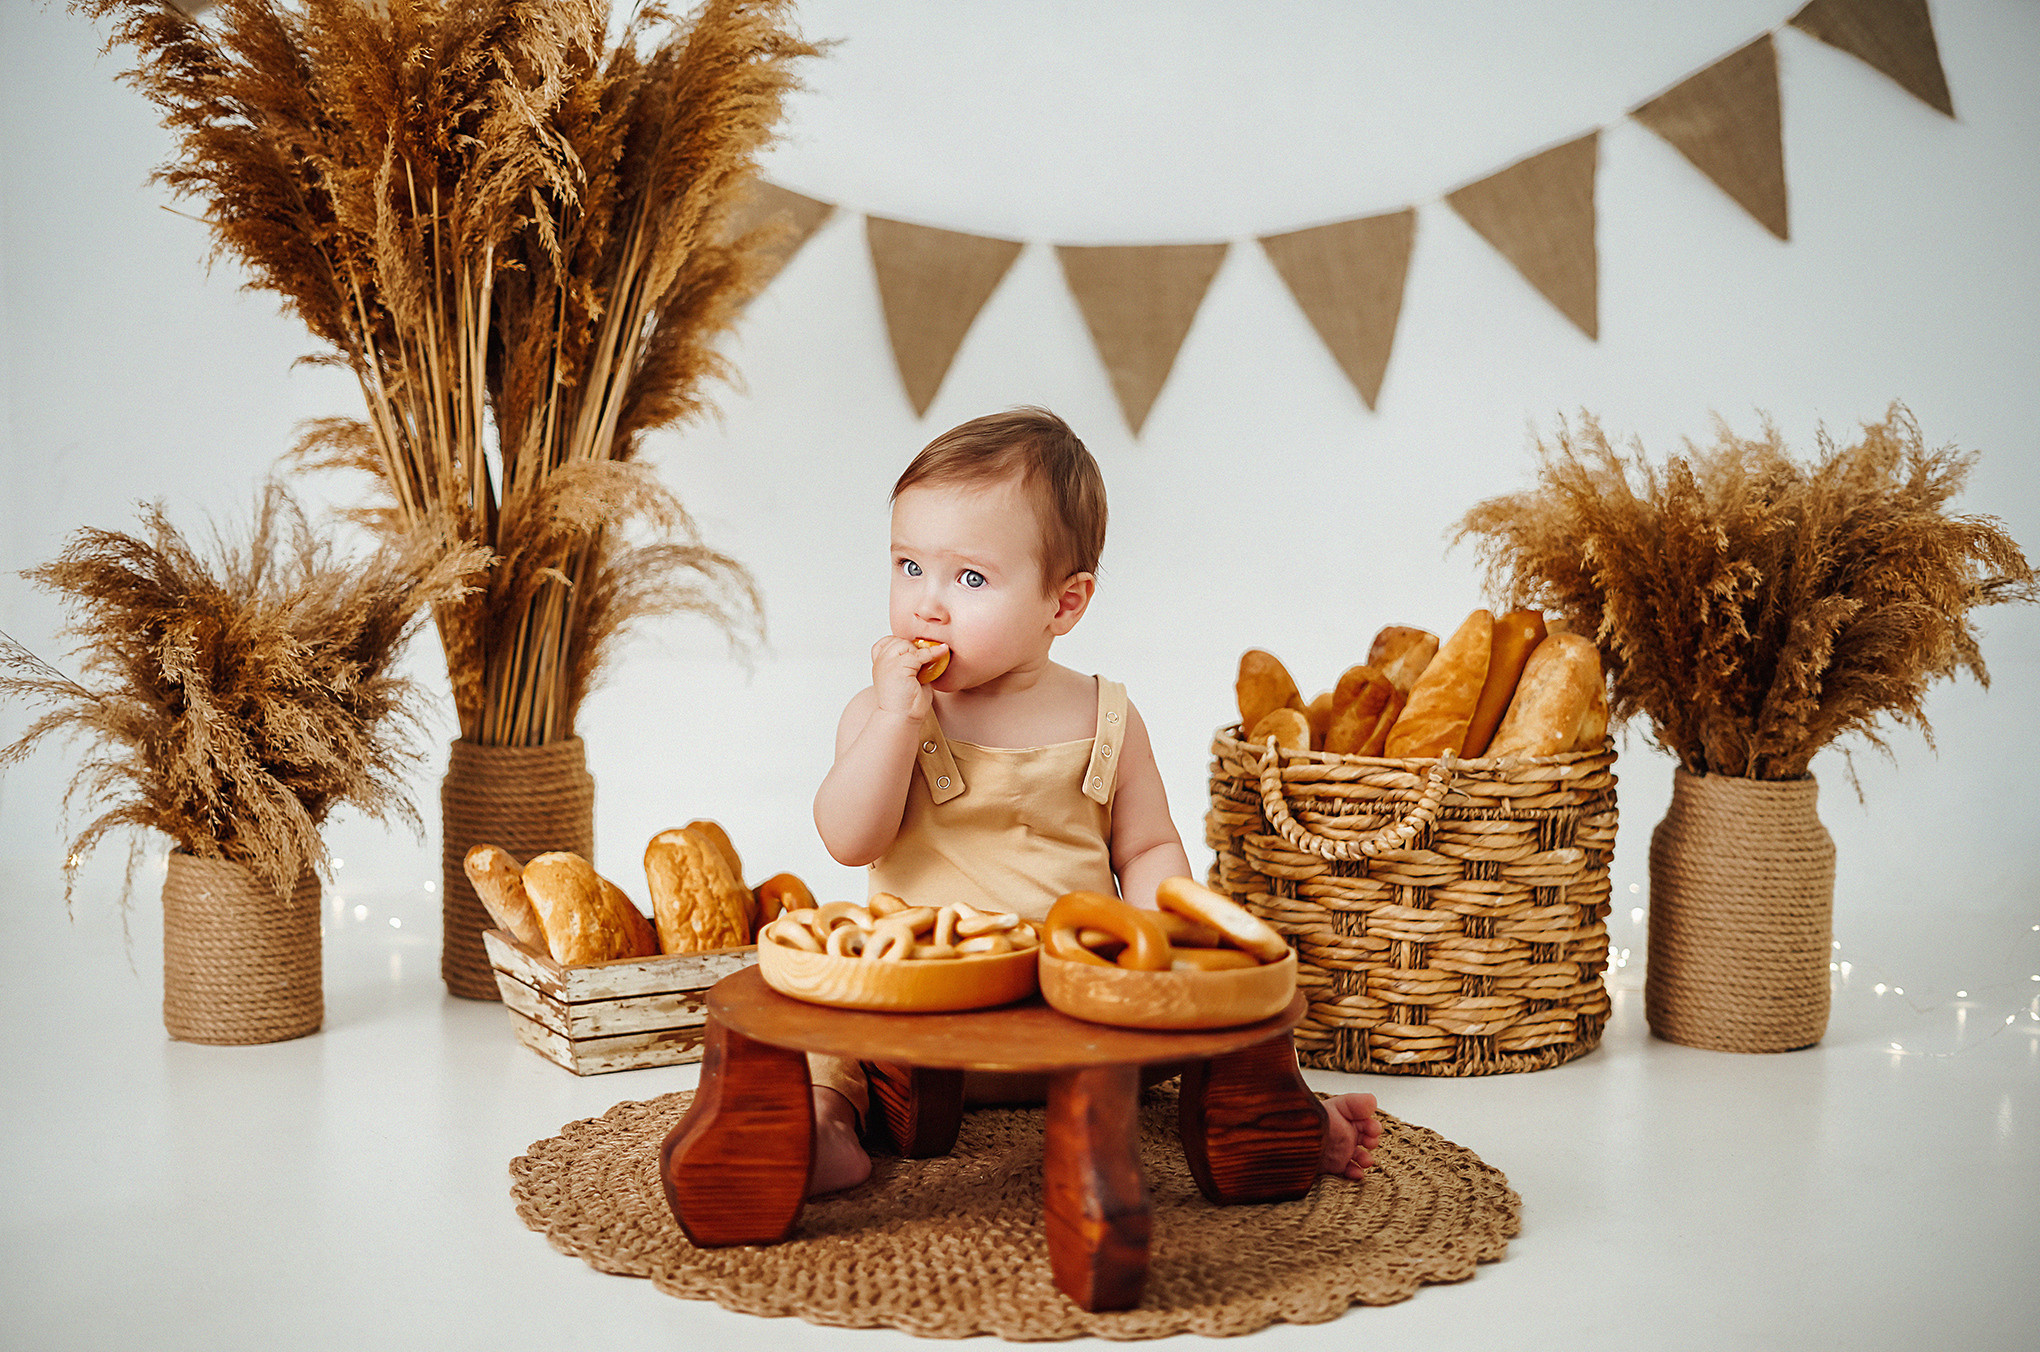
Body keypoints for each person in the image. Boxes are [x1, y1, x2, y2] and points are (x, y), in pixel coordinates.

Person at [809, 407, 1380, 1193]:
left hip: (1081, 1010)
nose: (926, 605)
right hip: (921, 1019)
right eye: (909, 566)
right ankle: (826, 1124)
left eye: (969, 578)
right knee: (818, 1014)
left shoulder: (1105, 716)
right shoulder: (884, 714)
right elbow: (849, 838)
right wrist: (898, 722)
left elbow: (1145, 849)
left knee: (1238, 997)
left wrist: (1169, 950)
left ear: (1064, 604)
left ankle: (1280, 1114)